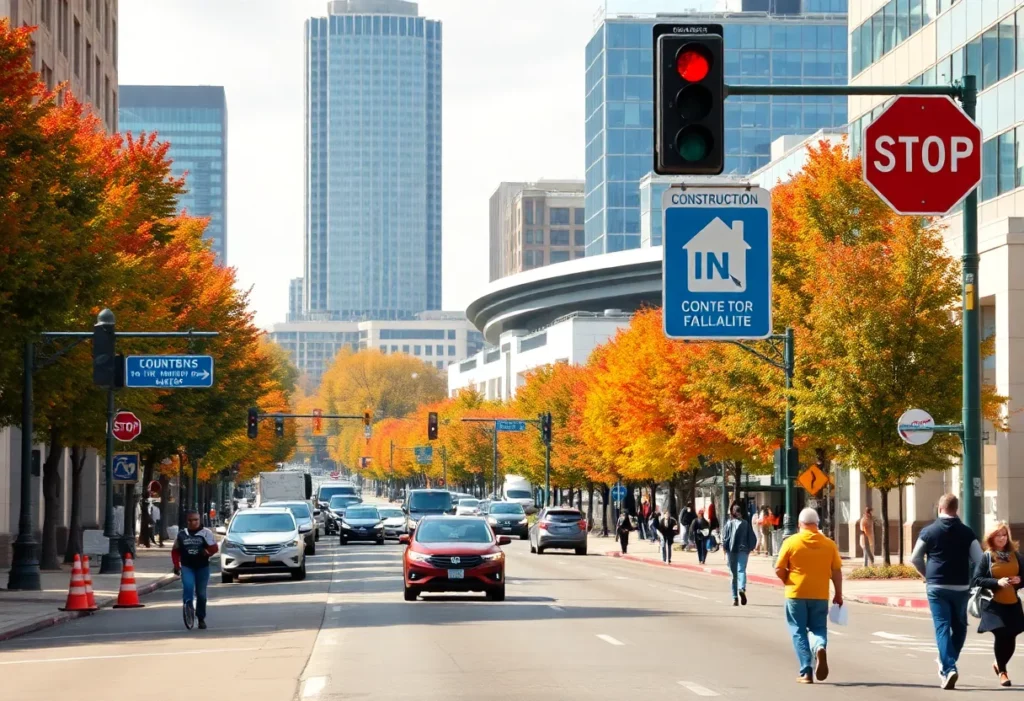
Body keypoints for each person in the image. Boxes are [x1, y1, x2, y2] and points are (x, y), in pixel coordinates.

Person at [910, 493, 984, 690]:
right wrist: (974, 580)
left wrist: (927, 575)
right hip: (961, 586)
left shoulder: (929, 531)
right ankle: (947, 664)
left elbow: (915, 558)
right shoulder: (967, 533)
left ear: (940, 508)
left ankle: (948, 667)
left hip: (936, 587)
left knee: (942, 627)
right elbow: (979, 560)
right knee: (959, 628)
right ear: (956, 509)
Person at [775, 507, 843, 684]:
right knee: (818, 628)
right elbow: (836, 571)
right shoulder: (829, 544)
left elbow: (778, 568)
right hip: (820, 594)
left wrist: (787, 580)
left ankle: (806, 671)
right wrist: (839, 593)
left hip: (796, 593)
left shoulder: (791, 542)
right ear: (817, 524)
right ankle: (819, 646)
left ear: (799, 524)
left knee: (798, 630)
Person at [972, 522, 1024, 687]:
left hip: (1013, 602)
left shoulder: (1016, 555)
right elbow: (977, 579)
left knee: (1012, 635)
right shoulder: (987, 556)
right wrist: (997, 582)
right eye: (998, 535)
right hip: (994, 604)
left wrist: (1019, 580)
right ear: (991, 537)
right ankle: (1002, 671)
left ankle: (998, 663)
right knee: (1001, 635)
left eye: (1004, 535)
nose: (1002, 538)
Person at [171, 510, 219, 630]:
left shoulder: (206, 533)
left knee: (201, 594)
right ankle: (188, 608)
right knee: (188, 588)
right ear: (187, 521)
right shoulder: (182, 534)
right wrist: (176, 565)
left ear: (200, 520)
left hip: (202, 567)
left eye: (196, 520)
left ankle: (201, 617)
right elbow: (175, 551)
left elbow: (214, 547)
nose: (193, 522)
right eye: (190, 520)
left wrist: (207, 552)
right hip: (187, 567)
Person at [723, 503, 758, 606]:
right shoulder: (746, 524)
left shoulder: (729, 524)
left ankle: (735, 598)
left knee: (733, 574)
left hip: (731, 550)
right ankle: (741, 588)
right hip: (743, 550)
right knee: (741, 570)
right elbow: (751, 537)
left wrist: (724, 549)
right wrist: (750, 548)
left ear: (732, 512)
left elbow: (725, 538)